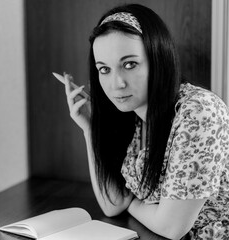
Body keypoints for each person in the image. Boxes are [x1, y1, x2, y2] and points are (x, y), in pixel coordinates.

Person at [61, 3, 229, 240]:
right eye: (104, 69)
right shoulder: (133, 116)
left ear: (158, 59)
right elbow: (112, 204)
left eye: (130, 64)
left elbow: (172, 227)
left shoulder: (199, 111)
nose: (116, 83)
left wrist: (133, 203)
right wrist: (90, 129)